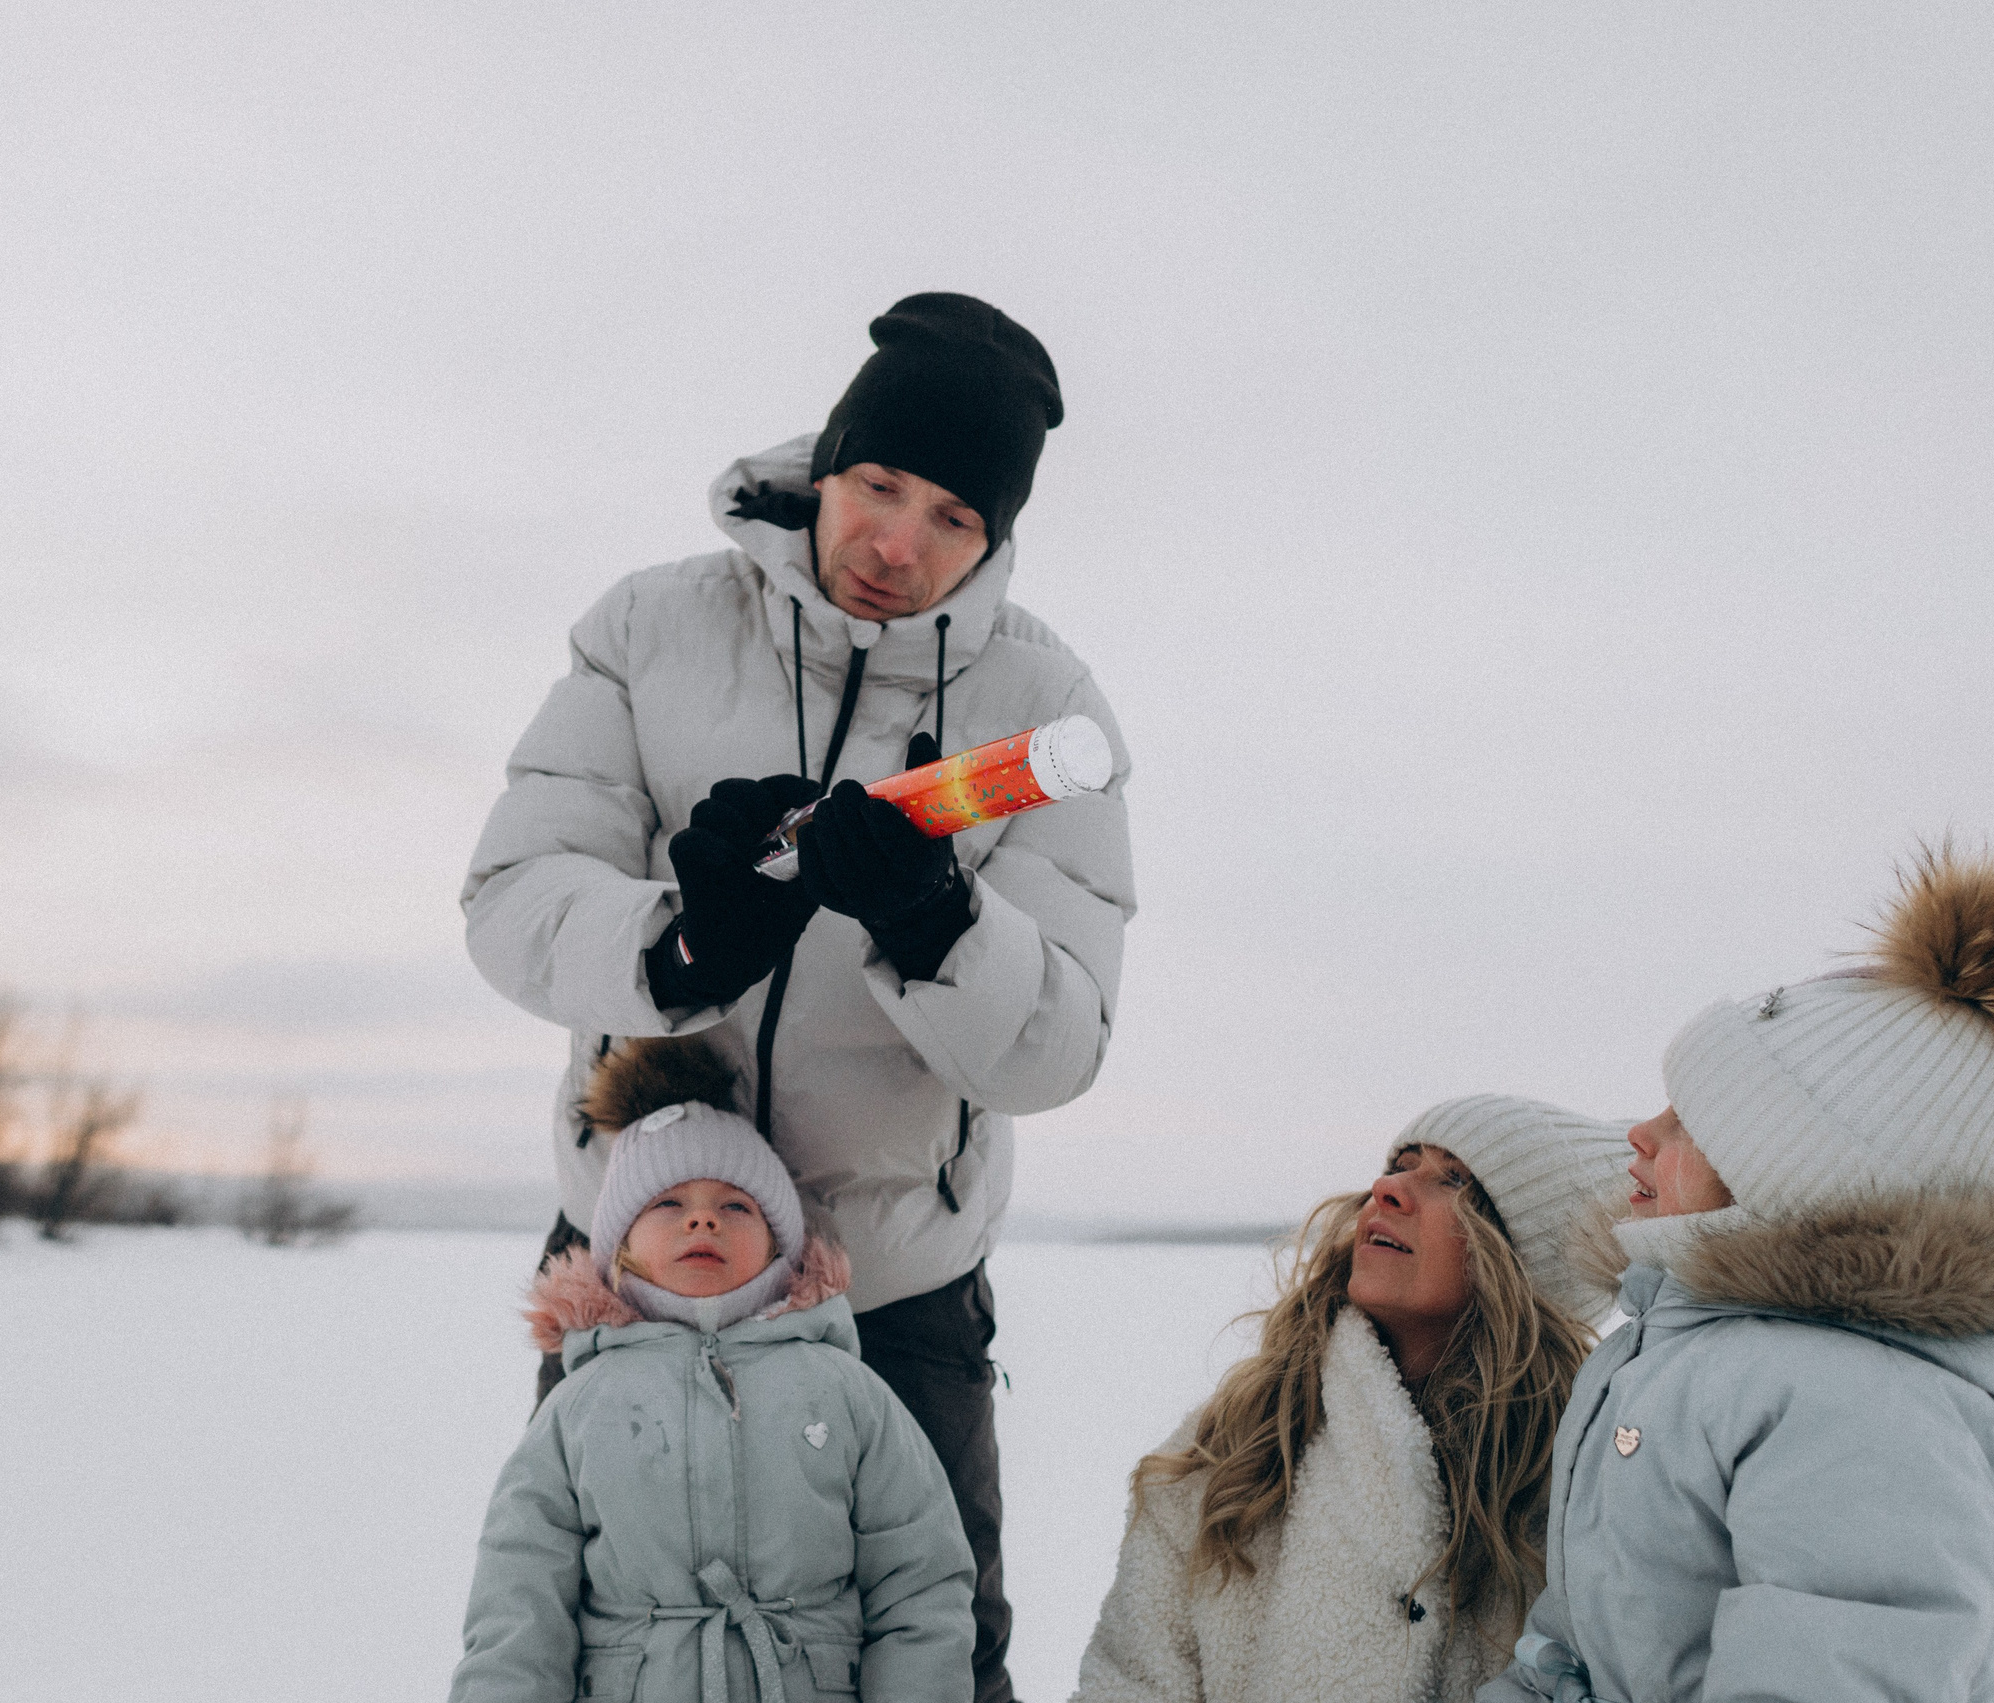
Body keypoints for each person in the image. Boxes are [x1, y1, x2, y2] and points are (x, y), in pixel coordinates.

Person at [462, 291, 1135, 1703]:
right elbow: (514, 898)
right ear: (827, 461)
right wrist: (685, 944)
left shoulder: (1045, 702)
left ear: (998, 534)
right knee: (594, 1646)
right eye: (881, 484)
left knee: (940, 1656)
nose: (899, 542)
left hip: (896, 1286)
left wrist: (939, 918)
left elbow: (1060, 1043)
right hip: (648, 1262)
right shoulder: (650, 629)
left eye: (954, 515)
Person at [1484, 844, 1994, 1703]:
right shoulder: (1684, 1342)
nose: (1640, 1132)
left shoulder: (1859, 1394)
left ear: (1790, 1167)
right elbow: (1581, 1642)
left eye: (1689, 1120)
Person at [449, 1037, 976, 1703]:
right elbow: (516, 1605)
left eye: (736, 1205)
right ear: (621, 1245)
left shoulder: (848, 1393)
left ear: (781, 1245)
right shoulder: (579, 1404)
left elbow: (921, 1585)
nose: (703, 1216)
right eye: (667, 1203)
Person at [1072, 1095, 1633, 1702]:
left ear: (1525, 1264)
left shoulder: (1582, 1493)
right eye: (1401, 1163)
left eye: (1453, 1180)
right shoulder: (1233, 1451)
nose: (1386, 1188)